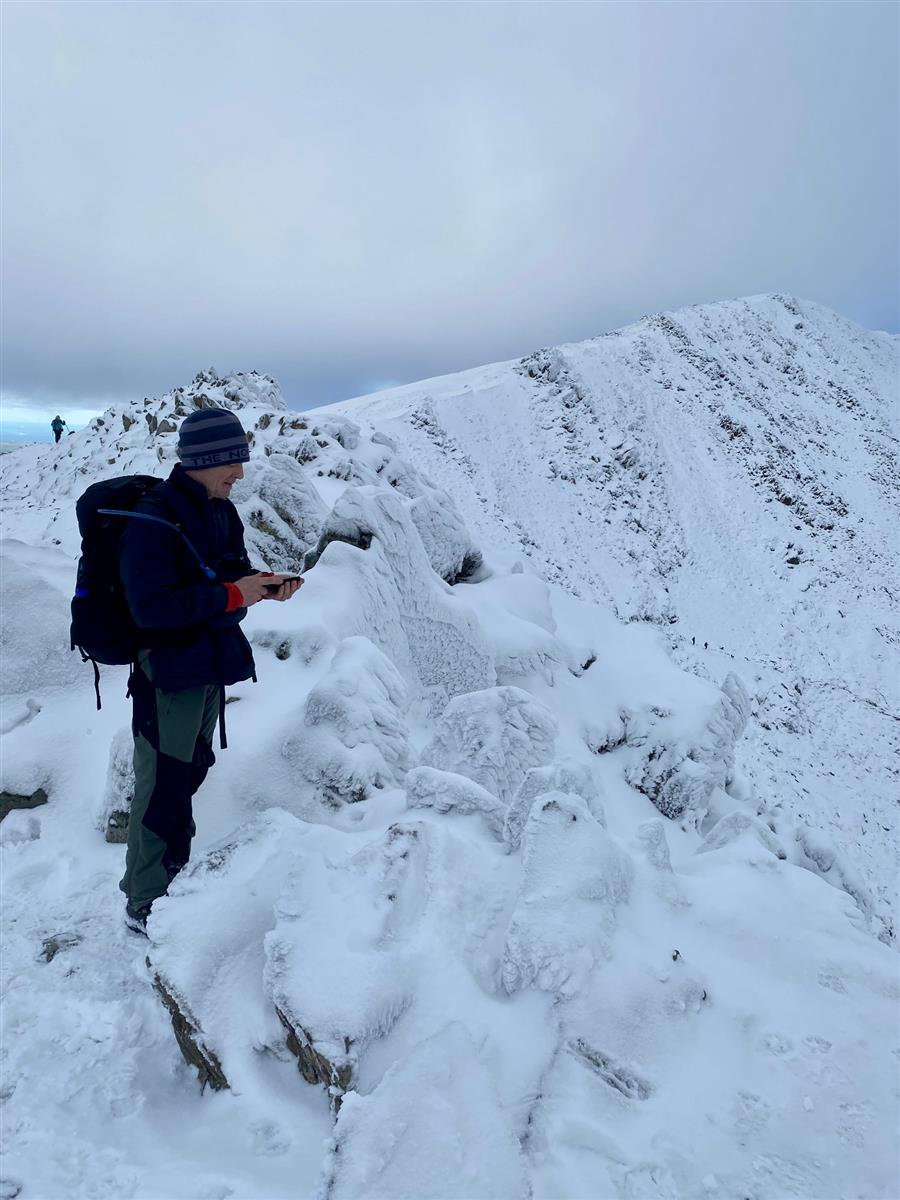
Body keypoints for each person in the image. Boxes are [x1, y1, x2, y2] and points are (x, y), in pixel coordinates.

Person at [118, 407, 302, 933]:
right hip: (168, 676)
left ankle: (172, 875)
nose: (240, 473)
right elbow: (150, 609)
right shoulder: (152, 520)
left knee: (188, 773)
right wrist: (232, 595)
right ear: (202, 461)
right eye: (232, 462)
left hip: (208, 664)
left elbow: (229, 574)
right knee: (162, 785)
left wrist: (260, 584)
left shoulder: (221, 510)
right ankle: (144, 901)